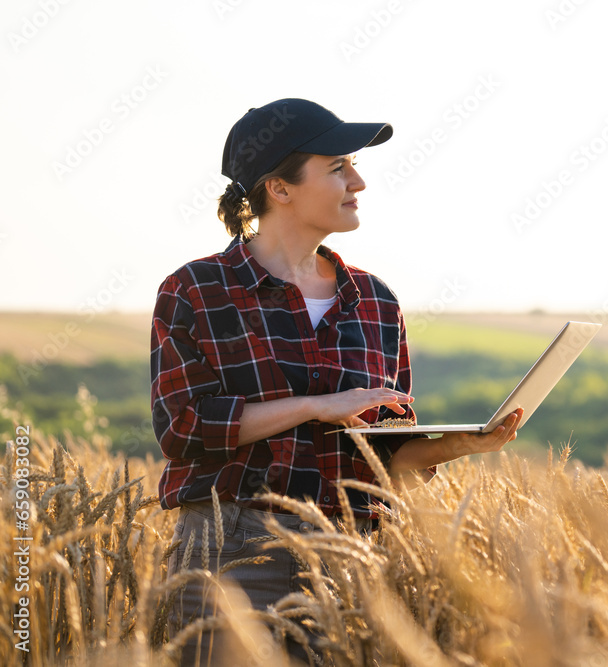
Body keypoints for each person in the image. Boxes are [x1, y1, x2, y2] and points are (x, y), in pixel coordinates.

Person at [151, 98, 523, 662]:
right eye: (338, 168)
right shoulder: (196, 291)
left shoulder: (375, 300)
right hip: (238, 555)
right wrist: (314, 405)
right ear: (279, 187)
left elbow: (384, 457)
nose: (359, 181)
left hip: (355, 561)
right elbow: (183, 429)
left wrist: (463, 444)